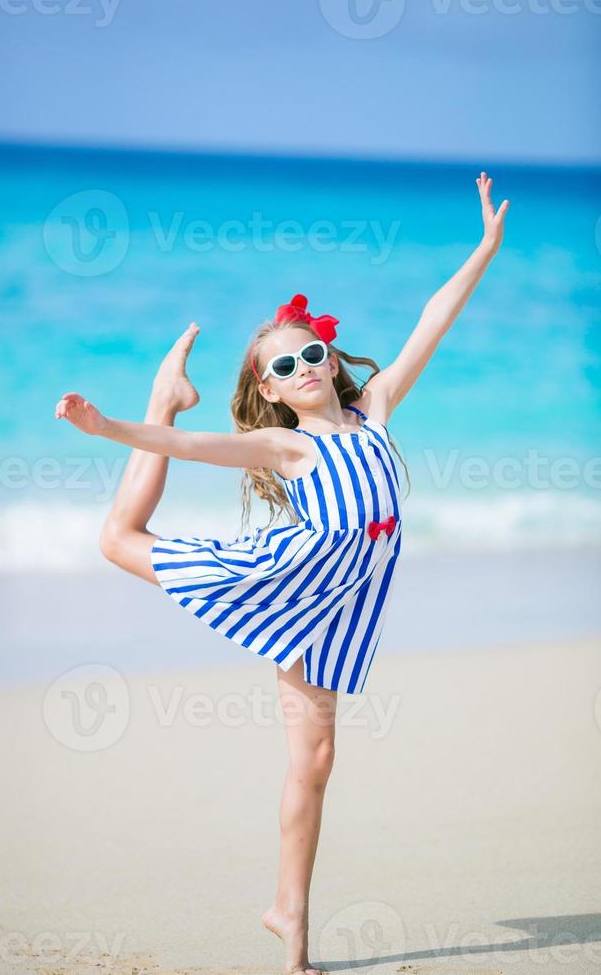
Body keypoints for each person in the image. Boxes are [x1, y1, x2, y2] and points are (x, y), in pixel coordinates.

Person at [54, 171, 509, 975]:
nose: (305, 365)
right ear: (269, 388)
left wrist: (483, 249)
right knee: (118, 540)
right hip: (288, 582)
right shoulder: (290, 446)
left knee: (316, 760)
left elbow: (431, 323)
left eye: (313, 352)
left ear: (331, 361)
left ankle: (289, 925)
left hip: (347, 602)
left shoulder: (375, 410)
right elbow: (191, 452)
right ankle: (167, 392)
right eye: (286, 364)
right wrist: (113, 428)